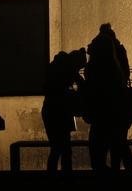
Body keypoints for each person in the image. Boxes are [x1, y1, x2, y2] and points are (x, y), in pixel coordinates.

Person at [82, 23, 129, 174]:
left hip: (99, 114)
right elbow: (125, 77)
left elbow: (89, 88)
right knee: (119, 145)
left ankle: (104, 175)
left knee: (98, 150)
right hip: (117, 111)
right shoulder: (116, 65)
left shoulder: (93, 67)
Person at [41, 48, 86, 177]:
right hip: (59, 112)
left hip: (52, 111)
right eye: (79, 67)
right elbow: (80, 84)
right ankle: (65, 176)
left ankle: (55, 177)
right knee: (63, 149)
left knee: (57, 148)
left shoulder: (58, 67)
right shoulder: (67, 71)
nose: (78, 70)